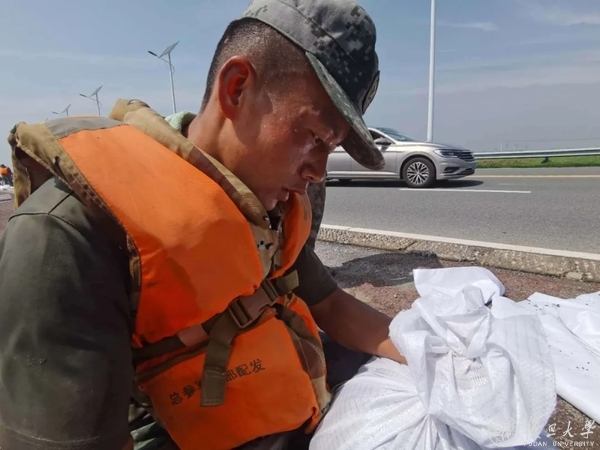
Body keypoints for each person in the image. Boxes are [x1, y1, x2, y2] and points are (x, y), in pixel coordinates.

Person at [0, 1, 404, 450]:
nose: (318, 172)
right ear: (237, 88)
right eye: (314, 138)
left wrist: (432, 356)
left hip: (291, 408)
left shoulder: (265, 208)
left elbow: (329, 304)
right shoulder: (69, 234)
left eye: (331, 148)